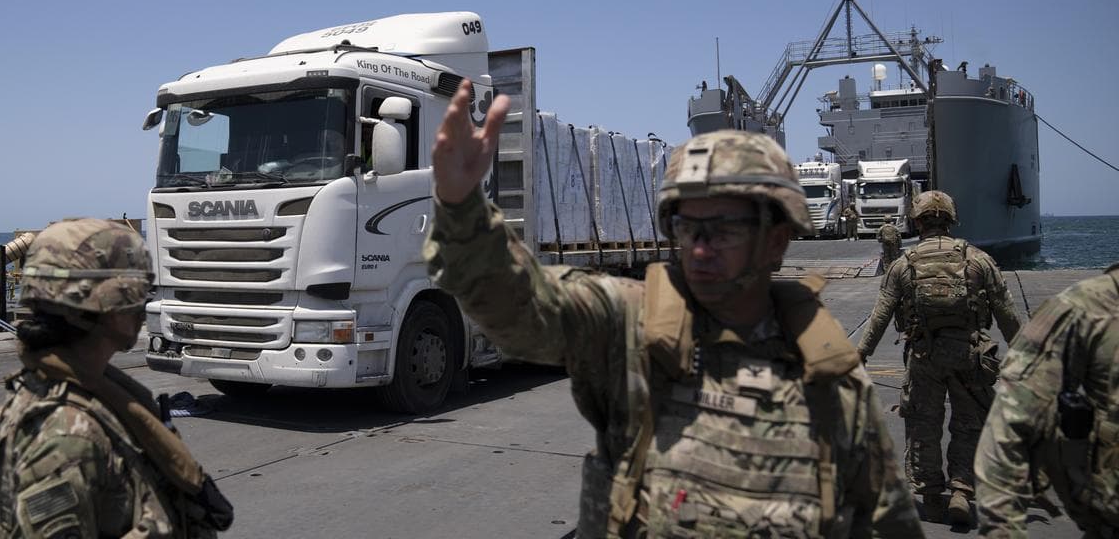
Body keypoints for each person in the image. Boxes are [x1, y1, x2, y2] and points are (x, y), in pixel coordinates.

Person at [424, 79, 923, 538]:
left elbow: (886, 520)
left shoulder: (832, 380)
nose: (700, 249)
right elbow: (521, 311)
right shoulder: (627, 325)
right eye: (687, 227)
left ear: (776, 239)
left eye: (722, 228)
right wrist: (462, 206)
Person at [0, 218, 233, 538]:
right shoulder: (65, 434)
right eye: (136, 291)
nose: (143, 305)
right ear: (102, 302)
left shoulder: (92, 390)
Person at [856, 191, 1022, 526]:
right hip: (972, 357)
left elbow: (880, 314)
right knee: (969, 424)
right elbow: (1007, 315)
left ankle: (931, 495)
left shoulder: (904, 264)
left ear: (916, 222)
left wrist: (860, 354)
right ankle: (961, 490)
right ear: (951, 220)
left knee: (923, 425)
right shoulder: (978, 260)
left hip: (924, 357)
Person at [974, 262, 1119, 537]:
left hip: (932, 356)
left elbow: (1006, 433)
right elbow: (1010, 427)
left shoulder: (1084, 306)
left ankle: (940, 485)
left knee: (934, 421)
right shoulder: (1088, 306)